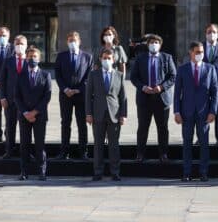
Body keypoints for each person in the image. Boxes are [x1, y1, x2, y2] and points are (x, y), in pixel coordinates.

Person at [174, 42, 218, 182]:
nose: (200, 54)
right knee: (187, 143)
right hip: (186, 112)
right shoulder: (182, 69)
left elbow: (215, 92)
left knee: (204, 144)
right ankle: (187, 172)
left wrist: (213, 111)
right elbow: (177, 93)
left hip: (204, 112)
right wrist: (176, 112)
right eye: (197, 52)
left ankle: (203, 172)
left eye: (202, 52)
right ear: (190, 53)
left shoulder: (210, 68)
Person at [131, 34, 176, 163]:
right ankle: (140, 154)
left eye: (156, 42)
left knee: (162, 128)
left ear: (160, 45)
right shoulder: (140, 58)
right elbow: (134, 77)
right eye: (151, 42)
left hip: (161, 99)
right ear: (147, 44)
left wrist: (161, 87)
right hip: (144, 98)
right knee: (143, 127)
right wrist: (142, 87)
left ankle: (163, 154)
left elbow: (173, 76)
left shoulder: (167, 58)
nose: (154, 44)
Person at [86, 49, 127, 181]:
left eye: (109, 58)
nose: (107, 60)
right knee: (98, 145)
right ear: (100, 58)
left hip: (114, 114)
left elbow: (123, 97)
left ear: (113, 60)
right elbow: (88, 96)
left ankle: (115, 172)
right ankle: (98, 172)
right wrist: (88, 113)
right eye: (104, 58)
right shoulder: (93, 75)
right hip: (98, 114)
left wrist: (123, 115)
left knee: (114, 145)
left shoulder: (119, 75)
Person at [54, 31, 93, 160]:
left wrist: (78, 90)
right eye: (70, 40)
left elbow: (89, 77)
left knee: (82, 123)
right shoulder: (61, 56)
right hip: (65, 95)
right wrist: (65, 89)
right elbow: (58, 75)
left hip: (81, 95)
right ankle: (64, 151)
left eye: (74, 40)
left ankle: (83, 152)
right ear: (67, 42)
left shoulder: (88, 57)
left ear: (79, 41)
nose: (72, 42)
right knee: (65, 123)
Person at [15, 47, 51, 181]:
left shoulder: (46, 75)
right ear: (26, 58)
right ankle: (24, 171)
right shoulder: (20, 75)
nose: (32, 59)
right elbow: (17, 97)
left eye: (35, 56)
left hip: (40, 115)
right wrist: (25, 112)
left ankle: (42, 171)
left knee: (40, 144)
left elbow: (47, 96)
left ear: (39, 58)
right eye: (30, 56)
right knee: (24, 144)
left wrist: (35, 112)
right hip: (24, 116)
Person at [0, 35, 27, 159]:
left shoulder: (30, 60)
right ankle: (9, 150)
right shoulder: (8, 60)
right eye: (17, 44)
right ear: (14, 45)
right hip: (10, 100)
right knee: (10, 126)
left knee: (25, 128)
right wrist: (2, 97)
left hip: (26, 101)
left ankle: (25, 152)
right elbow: (2, 80)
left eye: (21, 44)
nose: (19, 46)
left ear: (26, 45)